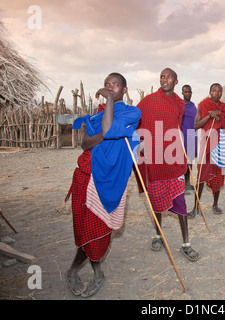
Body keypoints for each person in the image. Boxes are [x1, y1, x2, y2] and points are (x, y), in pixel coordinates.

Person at [65, 73, 141, 297]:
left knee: (101, 230)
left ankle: (89, 272)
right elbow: (85, 144)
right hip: (85, 176)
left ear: (124, 90)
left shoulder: (132, 112)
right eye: (107, 85)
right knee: (84, 229)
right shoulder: (97, 115)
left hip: (111, 180)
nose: (111, 88)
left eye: (115, 85)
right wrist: (106, 134)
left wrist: (107, 126)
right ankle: (78, 271)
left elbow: (107, 131)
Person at [136, 68, 199, 262]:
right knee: (155, 200)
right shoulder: (147, 101)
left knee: (180, 200)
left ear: (176, 81)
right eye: (162, 77)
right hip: (154, 158)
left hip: (173, 157)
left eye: (168, 77)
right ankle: (158, 235)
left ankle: (186, 244)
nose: (164, 80)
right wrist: (142, 143)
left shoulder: (179, 103)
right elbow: (136, 121)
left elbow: (177, 127)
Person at [188, 83, 225, 217]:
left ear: (222, 93)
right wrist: (209, 116)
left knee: (218, 175)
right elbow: (195, 125)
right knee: (201, 175)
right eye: (214, 91)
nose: (216, 93)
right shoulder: (202, 105)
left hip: (220, 145)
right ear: (210, 92)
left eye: (219, 91)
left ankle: (215, 204)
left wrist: (220, 117)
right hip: (206, 144)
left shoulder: (224, 107)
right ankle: (196, 207)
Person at [181, 84, 197, 193]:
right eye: (186, 92)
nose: (188, 94)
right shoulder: (180, 105)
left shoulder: (193, 105)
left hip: (192, 136)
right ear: (182, 93)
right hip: (182, 136)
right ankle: (181, 185)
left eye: (189, 92)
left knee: (190, 161)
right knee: (182, 161)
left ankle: (188, 183)